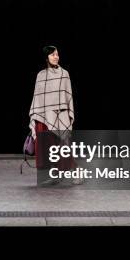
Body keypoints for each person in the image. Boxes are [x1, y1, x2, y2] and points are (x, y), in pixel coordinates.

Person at [29, 45, 83, 185]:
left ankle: (77, 172)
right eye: (53, 54)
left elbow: (67, 96)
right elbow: (38, 98)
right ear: (46, 57)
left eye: (57, 54)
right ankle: (56, 174)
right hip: (43, 116)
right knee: (48, 148)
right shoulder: (40, 75)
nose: (56, 57)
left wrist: (64, 115)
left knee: (62, 147)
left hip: (60, 116)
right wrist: (35, 116)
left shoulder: (64, 74)